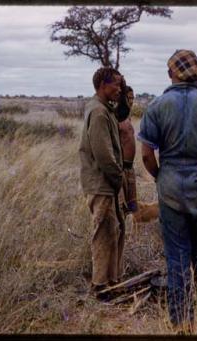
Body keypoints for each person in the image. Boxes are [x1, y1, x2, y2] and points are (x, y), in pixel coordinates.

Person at [138, 49, 197, 332]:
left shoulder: (156, 105)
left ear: (170, 74)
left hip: (170, 188)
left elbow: (146, 155)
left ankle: (181, 323)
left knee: (176, 258)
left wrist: (160, 176)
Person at [79, 66, 126, 297]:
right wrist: (119, 179)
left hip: (104, 182)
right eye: (115, 84)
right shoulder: (98, 112)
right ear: (102, 85)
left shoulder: (102, 108)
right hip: (102, 182)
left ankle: (109, 282)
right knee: (103, 232)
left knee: (111, 230)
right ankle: (100, 285)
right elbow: (104, 154)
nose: (119, 88)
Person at [118, 86, 138, 213]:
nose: (131, 101)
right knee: (119, 207)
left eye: (132, 98)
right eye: (128, 98)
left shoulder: (127, 117)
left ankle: (124, 233)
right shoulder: (116, 117)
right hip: (120, 168)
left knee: (129, 209)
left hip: (129, 169)